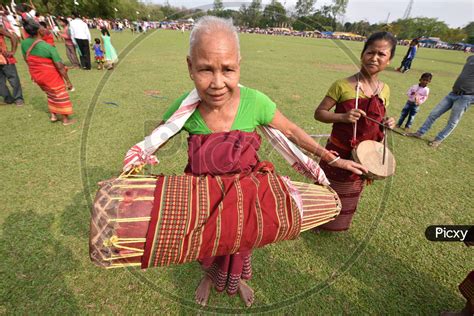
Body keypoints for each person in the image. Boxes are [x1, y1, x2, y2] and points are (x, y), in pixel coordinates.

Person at [122, 16, 366, 307]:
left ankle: (237, 282)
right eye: (205, 70)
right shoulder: (185, 109)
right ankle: (209, 277)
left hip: (246, 200)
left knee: (242, 244)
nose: (217, 83)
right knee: (208, 246)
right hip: (205, 201)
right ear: (190, 67)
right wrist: (135, 162)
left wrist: (331, 160)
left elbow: (291, 132)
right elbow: (157, 137)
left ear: (239, 64)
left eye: (228, 69)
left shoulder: (256, 102)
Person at [314, 31, 397, 231]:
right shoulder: (342, 85)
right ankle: (316, 221)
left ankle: (337, 224)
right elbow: (319, 113)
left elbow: (377, 117)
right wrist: (342, 117)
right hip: (338, 151)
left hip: (365, 155)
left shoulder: (384, 89)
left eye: (382, 54)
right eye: (370, 52)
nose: (374, 58)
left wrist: (387, 122)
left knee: (350, 192)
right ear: (362, 54)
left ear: (390, 60)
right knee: (328, 187)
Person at [407, 55, 474, 148]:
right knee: (433, 114)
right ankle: (419, 133)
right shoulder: (471, 58)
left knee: (452, 121)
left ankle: (438, 139)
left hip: (465, 97)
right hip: (453, 93)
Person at [21, 19, 75, 125]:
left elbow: (26, 59)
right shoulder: (48, 47)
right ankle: (65, 119)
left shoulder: (24, 43)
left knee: (50, 94)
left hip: (37, 76)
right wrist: (68, 81)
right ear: (39, 31)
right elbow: (60, 66)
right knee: (60, 94)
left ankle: (53, 115)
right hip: (50, 76)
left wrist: (34, 72)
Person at [0, 24, 24, 106]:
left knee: (13, 79)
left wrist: (12, 51)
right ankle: (8, 99)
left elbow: (13, 37)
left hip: (5, 59)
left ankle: (18, 99)